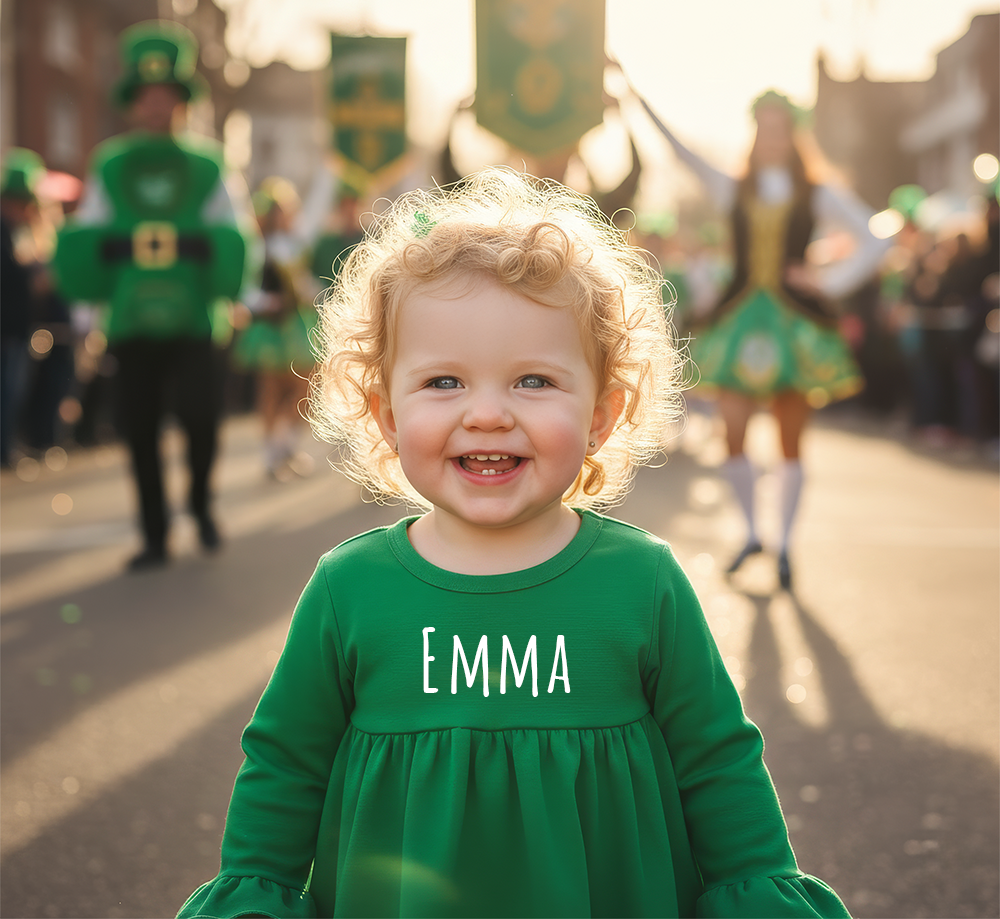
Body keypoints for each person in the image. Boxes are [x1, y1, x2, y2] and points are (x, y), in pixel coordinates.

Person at [176, 168, 851, 919]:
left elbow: (717, 762)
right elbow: (285, 766)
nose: (488, 414)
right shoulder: (348, 588)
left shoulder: (644, 581)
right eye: (443, 383)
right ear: (386, 413)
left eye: (533, 380)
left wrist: (755, 886)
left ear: (602, 410)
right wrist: (255, 892)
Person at [634, 87, 891, 590]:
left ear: (793, 135)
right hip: (741, 322)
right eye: (764, 128)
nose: (771, 138)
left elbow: (876, 238)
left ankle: (786, 543)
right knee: (733, 433)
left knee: (791, 441)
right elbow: (681, 150)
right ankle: (753, 532)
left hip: (795, 324)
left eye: (780, 129)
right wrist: (633, 93)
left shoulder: (817, 192)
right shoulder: (734, 188)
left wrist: (828, 280)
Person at [53, 21, 252, 571]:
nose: (157, 106)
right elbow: (89, 239)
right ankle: (155, 532)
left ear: (181, 103)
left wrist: (234, 291)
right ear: (133, 104)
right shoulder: (110, 165)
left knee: (201, 419)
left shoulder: (209, 165)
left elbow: (235, 233)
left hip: (194, 320)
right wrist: (90, 313)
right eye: (147, 97)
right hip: (132, 321)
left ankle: (201, 505)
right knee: (137, 426)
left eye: (167, 97)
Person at [234, 171, 332, 478]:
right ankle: (271, 454)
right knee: (271, 392)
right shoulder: (254, 246)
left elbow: (316, 211)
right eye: (274, 210)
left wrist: (331, 170)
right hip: (270, 328)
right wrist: (263, 302)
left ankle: (285, 446)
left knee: (308, 390)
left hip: (299, 325)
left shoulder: (296, 242)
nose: (280, 215)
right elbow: (243, 288)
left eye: (284, 209)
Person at [0, 149, 45, 467]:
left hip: (16, 326)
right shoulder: (5, 232)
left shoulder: (18, 233)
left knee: (13, 392)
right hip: (6, 326)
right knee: (7, 391)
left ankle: (7, 447)